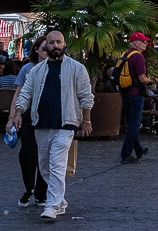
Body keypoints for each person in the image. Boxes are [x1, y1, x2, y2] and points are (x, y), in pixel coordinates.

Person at [11, 29, 93, 223]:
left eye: (59, 42)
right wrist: (17, 113)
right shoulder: (36, 70)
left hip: (65, 124)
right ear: (45, 46)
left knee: (57, 164)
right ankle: (61, 201)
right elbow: (25, 94)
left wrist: (86, 120)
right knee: (46, 166)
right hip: (41, 124)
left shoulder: (76, 68)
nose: (55, 45)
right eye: (51, 42)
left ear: (65, 44)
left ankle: (52, 205)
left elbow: (86, 96)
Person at [7, 35, 48, 208]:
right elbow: (18, 94)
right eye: (44, 48)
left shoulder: (59, 68)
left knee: (46, 155)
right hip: (29, 115)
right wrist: (12, 117)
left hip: (49, 116)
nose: (48, 51)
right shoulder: (27, 69)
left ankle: (41, 193)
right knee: (28, 152)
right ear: (36, 49)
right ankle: (29, 188)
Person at [116, 32, 151, 165]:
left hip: (126, 92)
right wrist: (150, 80)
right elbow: (142, 78)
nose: (145, 44)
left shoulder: (126, 54)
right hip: (136, 93)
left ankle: (139, 150)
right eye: (143, 41)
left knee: (132, 123)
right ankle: (126, 154)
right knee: (134, 124)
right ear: (136, 43)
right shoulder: (138, 56)